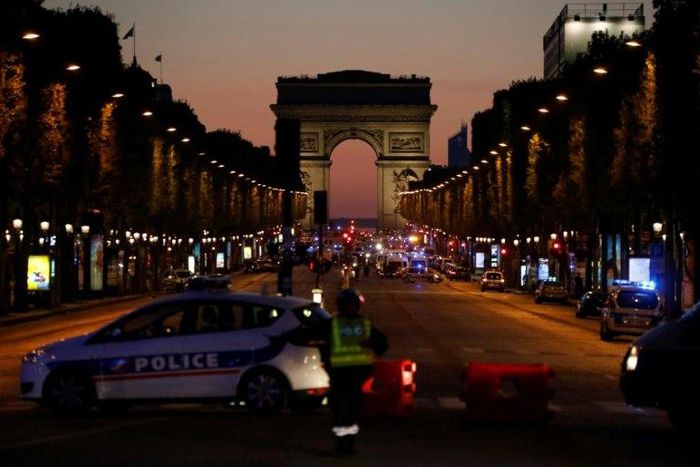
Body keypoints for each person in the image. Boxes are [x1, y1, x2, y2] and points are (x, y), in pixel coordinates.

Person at [322, 288, 388, 456]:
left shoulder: (334, 323)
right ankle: (345, 445)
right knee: (347, 412)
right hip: (354, 374)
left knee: (344, 412)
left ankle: (345, 445)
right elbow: (382, 345)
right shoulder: (363, 323)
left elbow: (317, 338)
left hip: (343, 374)